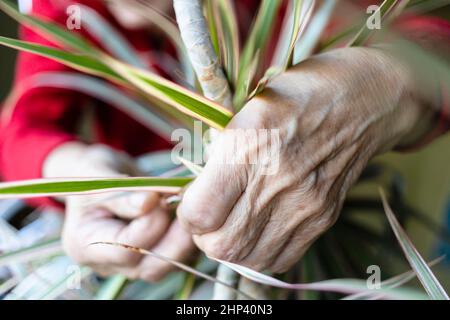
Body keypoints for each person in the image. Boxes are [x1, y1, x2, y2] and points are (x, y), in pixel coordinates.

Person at [0, 0, 449, 281]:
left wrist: (385, 83)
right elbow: (22, 129)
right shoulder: (70, 10)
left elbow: (431, 46)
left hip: (314, 251)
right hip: (160, 259)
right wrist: (73, 174)